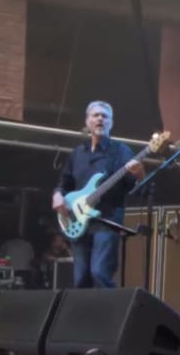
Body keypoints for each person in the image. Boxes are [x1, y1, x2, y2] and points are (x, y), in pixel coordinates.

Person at [52, 101, 144, 288]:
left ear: (111, 123)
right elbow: (64, 183)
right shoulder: (78, 153)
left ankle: (110, 314)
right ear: (88, 121)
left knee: (99, 273)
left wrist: (140, 174)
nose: (100, 119)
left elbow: (134, 188)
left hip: (107, 221)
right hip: (78, 221)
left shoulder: (121, 151)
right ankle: (83, 316)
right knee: (80, 279)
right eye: (96, 115)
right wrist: (57, 195)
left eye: (105, 116)